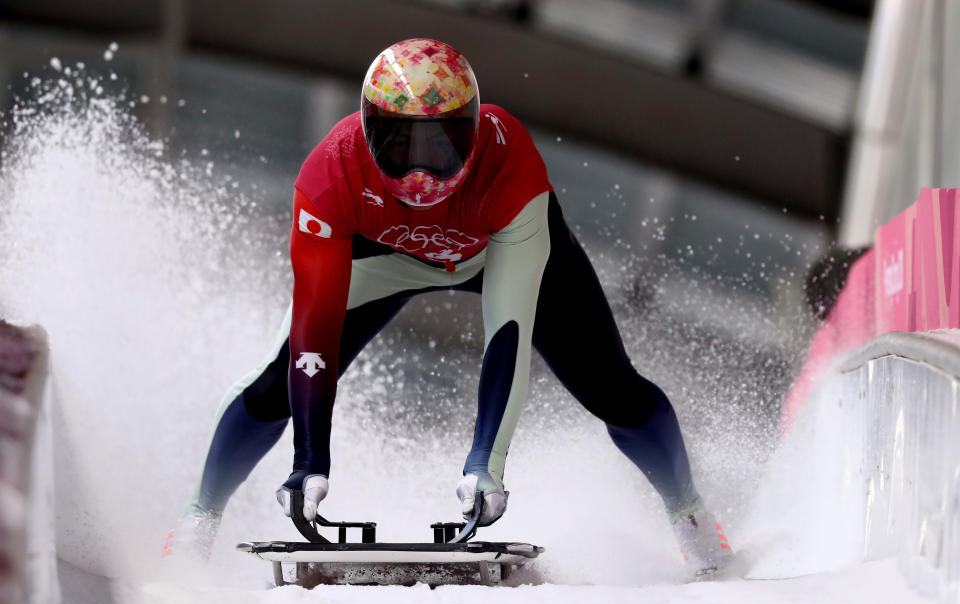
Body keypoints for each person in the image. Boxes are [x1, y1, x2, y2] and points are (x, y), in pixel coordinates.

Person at [165, 38, 733, 575]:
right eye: (399, 143)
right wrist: (308, 461)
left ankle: (688, 511)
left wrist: (487, 461)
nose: (419, 172)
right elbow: (312, 337)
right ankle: (197, 520)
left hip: (503, 255)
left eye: (440, 145)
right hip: (383, 264)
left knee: (613, 390)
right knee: (273, 387)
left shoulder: (511, 164)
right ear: (365, 133)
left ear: (476, 130)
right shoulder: (328, 176)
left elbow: (506, 335)